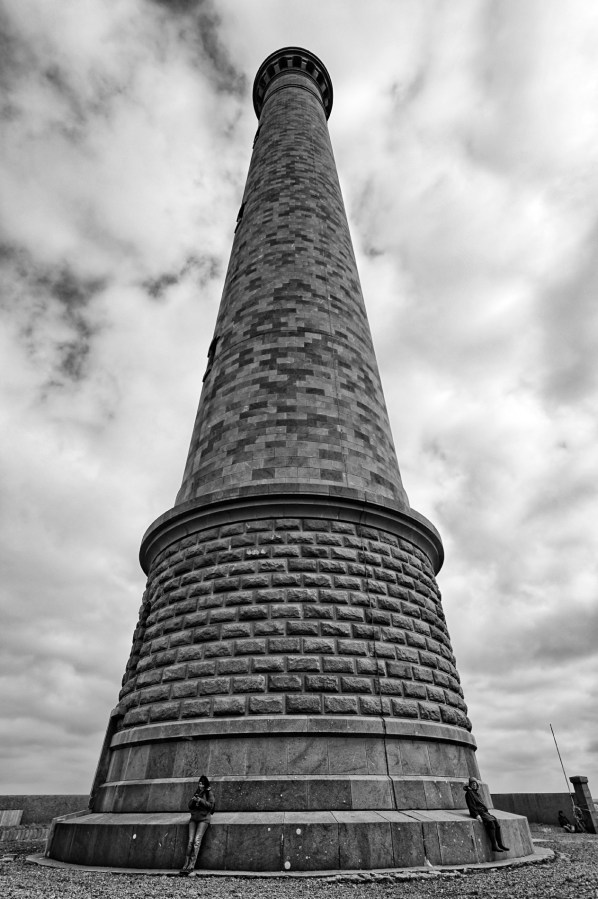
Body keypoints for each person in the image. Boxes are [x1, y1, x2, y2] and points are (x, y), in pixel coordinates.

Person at [179, 775, 216, 875]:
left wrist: (200, 801)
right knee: (190, 841)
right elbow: (189, 806)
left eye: (202, 784)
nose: (200, 785)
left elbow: (211, 806)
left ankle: (191, 865)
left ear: (205, 785)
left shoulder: (209, 793)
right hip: (194, 818)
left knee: (197, 841)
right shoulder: (197, 792)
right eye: (199, 783)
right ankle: (185, 864)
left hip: (204, 819)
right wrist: (193, 800)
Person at [464, 777, 510, 852]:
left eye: (475, 784)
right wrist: (477, 815)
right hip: (478, 813)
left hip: (484, 812)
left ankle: (500, 844)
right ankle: (494, 846)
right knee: (491, 823)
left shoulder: (477, 793)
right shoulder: (469, 793)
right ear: (470, 785)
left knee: (496, 823)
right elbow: (471, 805)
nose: (474, 785)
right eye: (472, 784)